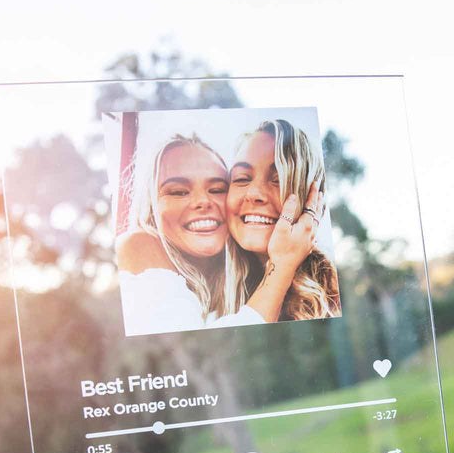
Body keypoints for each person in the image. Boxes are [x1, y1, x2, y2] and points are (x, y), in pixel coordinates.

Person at [117, 132, 319, 334]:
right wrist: (283, 264)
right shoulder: (138, 244)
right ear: (152, 206)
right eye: (178, 191)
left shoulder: (239, 275)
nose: (202, 201)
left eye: (216, 189)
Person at [227, 120, 341, 321]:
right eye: (241, 178)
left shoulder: (332, 300)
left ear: (311, 198)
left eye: (278, 180)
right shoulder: (205, 298)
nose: (254, 193)